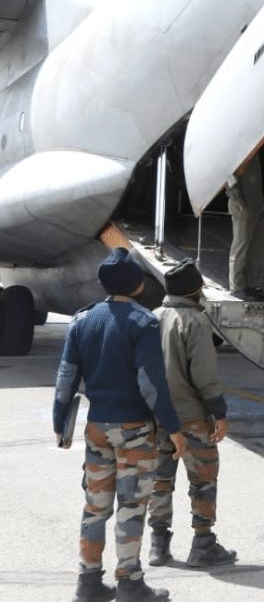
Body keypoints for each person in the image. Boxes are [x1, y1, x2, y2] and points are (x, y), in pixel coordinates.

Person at [52, 247, 187, 602]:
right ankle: (129, 583)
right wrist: (173, 429)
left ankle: (89, 582)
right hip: (135, 432)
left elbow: (66, 376)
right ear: (138, 286)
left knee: (95, 506)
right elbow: (152, 383)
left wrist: (58, 421)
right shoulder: (143, 322)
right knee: (131, 506)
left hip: (97, 428)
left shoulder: (82, 320)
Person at [146, 259, 238, 570]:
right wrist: (219, 413)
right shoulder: (196, 322)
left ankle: (158, 547)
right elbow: (204, 375)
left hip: (156, 418)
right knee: (203, 481)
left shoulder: (153, 318)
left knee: (160, 480)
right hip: (191, 419)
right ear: (194, 291)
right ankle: (203, 545)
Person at [227, 155, 264, 300]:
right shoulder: (237, 149)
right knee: (241, 246)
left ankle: (251, 284)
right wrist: (238, 201)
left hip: (257, 202)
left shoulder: (254, 151)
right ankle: (237, 286)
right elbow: (227, 176)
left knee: (256, 247)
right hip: (243, 203)